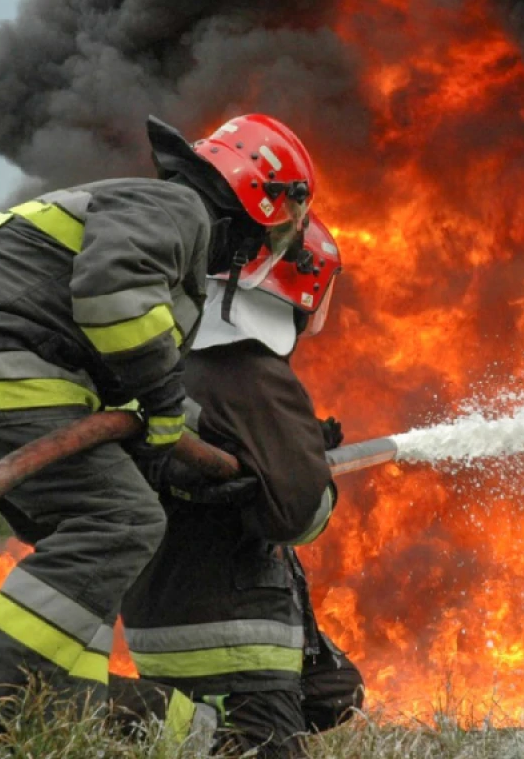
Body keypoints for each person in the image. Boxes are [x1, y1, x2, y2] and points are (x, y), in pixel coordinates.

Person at [0, 112, 318, 758]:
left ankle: (50, 712)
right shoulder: (175, 207)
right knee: (121, 522)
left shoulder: (154, 218)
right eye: (280, 224)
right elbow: (115, 301)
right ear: (259, 196)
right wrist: (169, 411)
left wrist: (202, 454)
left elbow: (121, 376)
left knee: (80, 540)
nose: (267, 244)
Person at [119, 212, 363, 758]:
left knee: (336, 693)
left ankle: (190, 729)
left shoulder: (170, 359)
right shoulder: (251, 368)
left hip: (159, 622)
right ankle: (188, 729)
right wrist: (309, 470)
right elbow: (300, 514)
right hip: (234, 637)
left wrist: (291, 449)